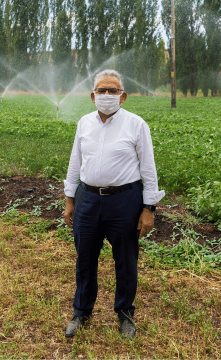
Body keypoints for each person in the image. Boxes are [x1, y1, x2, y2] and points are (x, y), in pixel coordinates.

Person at [63, 69, 165, 340]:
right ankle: (81, 312)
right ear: (92, 95)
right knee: (85, 259)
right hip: (87, 199)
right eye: (102, 90)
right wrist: (69, 199)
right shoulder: (84, 123)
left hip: (125, 201)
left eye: (113, 90)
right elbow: (76, 163)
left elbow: (149, 170)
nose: (107, 95)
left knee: (126, 260)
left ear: (123, 96)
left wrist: (148, 209)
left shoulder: (136, 125)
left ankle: (125, 315)